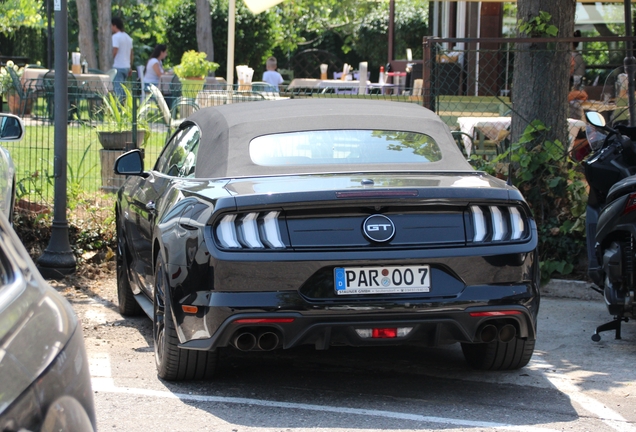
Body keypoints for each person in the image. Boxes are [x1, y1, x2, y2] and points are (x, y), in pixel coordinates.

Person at [111, 17, 134, 99]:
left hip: (118, 66)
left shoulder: (115, 37)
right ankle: (125, 106)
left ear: (114, 25)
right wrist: (130, 66)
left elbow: (115, 50)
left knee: (118, 89)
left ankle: (119, 109)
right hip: (126, 66)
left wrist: (110, 60)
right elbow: (131, 53)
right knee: (123, 88)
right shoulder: (128, 37)